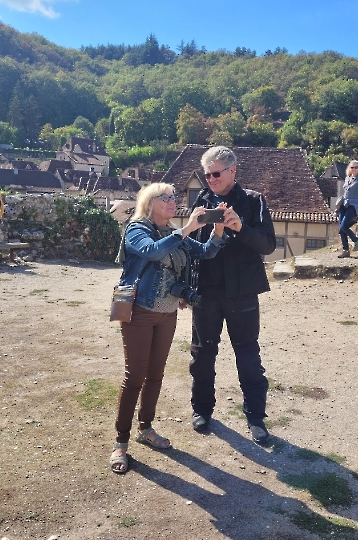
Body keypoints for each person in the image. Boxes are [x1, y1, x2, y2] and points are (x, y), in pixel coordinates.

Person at [110, 183, 226, 474]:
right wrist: (186, 229)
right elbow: (150, 252)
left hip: (167, 312)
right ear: (150, 203)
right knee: (134, 376)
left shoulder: (172, 231)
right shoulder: (137, 228)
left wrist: (219, 228)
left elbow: (205, 252)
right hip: (138, 310)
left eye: (175, 197)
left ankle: (146, 428)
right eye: (166, 197)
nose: (173, 201)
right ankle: (120, 443)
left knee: (155, 375)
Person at [188, 146, 277, 445]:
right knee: (202, 354)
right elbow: (192, 247)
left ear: (232, 171)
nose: (210, 179)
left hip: (242, 292)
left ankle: (255, 417)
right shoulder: (201, 200)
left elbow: (267, 245)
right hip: (207, 292)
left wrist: (240, 227)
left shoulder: (253, 201)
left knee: (248, 355)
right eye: (207, 174)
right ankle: (201, 410)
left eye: (215, 173)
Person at [334, 160, 358, 258]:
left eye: (356, 167)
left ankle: (357, 241)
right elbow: (345, 193)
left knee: (344, 226)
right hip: (344, 204)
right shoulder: (348, 178)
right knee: (341, 229)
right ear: (349, 168)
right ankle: (345, 250)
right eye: (352, 167)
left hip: (354, 205)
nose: (354, 169)